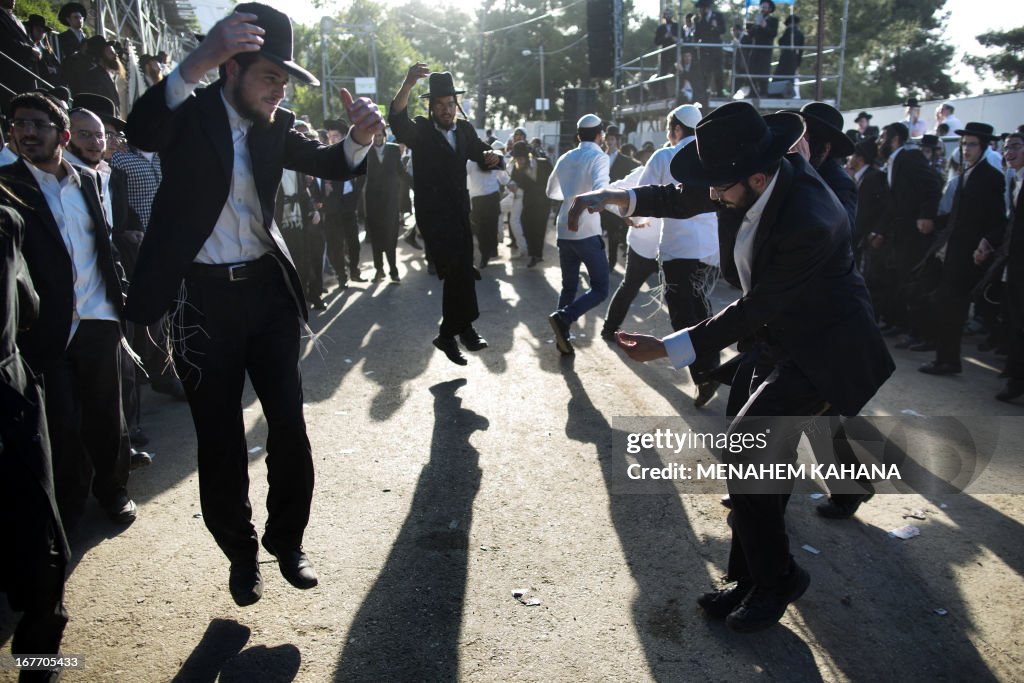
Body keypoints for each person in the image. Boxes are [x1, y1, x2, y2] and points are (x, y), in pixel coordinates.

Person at [568, 101, 894, 632]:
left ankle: (779, 578)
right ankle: (749, 578)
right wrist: (615, 196)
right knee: (751, 462)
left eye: (720, 187)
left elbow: (755, 308)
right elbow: (684, 195)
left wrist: (668, 347)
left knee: (748, 455)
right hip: (778, 338)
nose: (713, 195)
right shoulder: (748, 178)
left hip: (824, 347)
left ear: (758, 176)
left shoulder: (811, 217)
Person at [122, 3, 383, 607]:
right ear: (230, 69)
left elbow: (329, 163)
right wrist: (195, 59)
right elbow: (140, 132)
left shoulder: (274, 124)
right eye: (270, 76)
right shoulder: (186, 116)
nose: (279, 90)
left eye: (285, 81)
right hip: (199, 303)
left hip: (267, 295)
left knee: (289, 422)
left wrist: (360, 140)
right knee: (219, 439)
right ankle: (241, 557)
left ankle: (287, 542)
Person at [1, 92, 137, 530]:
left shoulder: (91, 182)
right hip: (44, 325)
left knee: (106, 415)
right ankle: (70, 505)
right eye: (19, 124)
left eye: (37, 124)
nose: (26, 132)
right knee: (61, 421)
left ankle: (113, 491)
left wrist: (123, 299)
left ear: (61, 135)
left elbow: (104, 243)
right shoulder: (6, 185)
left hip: (98, 315)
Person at [1, 184, 72, 683]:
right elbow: (29, 307)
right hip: (7, 394)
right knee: (34, 528)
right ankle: (39, 658)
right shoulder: (6, 220)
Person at [388, 64, 502, 365]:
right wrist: (408, 83)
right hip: (434, 215)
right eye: (439, 105)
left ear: (456, 104)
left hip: (461, 212)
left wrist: (496, 156)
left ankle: (455, 331)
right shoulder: (422, 131)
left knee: (463, 269)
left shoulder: (464, 130)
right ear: (431, 107)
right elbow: (397, 120)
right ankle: (457, 331)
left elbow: (481, 151)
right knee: (457, 269)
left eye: (450, 104)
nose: (446, 110)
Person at [919, 123, 1006, 375]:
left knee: (953, 310)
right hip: (951, 250)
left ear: (985, 146)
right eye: (964, 144)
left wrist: (986, 244)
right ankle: (944, 358)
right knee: (944, 306)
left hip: (968, 255)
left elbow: (998, 220)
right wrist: (934, 222)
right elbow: (956, 216)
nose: (966, 149)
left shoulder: (991, 176)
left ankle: (948, 360)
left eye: (972, 144)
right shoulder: (967, 173)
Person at [546, 114, 611, 355]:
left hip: (564, 229)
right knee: (601, 287)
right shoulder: (599, 157)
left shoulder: (565, 157)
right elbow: (600, 191)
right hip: (586, 230)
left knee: (568, 287)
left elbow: (550, 191)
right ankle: (565, 318)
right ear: (600, 134)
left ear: (577, 135)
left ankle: (561, 339)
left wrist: (570, 194)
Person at [988, 132, 1024, 401]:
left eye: (1015, 147)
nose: (1008, 152)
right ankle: (1014, 374)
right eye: (1005, 147)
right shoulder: (1016, 178)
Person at [364, 129, 404, 282]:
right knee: (376, 237)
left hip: (391, 202)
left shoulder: (393, 150)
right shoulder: (366, 152)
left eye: (379, 135)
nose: (376, 138)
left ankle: (393, 270)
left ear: (384, 137)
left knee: (391, 237)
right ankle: (378, 269)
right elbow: (360, 176)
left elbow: (401, 171)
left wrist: (416, 185)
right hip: (373, 202)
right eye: (373, 136)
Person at [601, 125, 640, 270]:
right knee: (596, 232)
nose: (610, 142)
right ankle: (597, 260)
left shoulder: (624, 160)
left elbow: (631, 177)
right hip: (599, 199)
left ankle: (611, 263)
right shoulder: (600, 157)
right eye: (608, 139)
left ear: (617, 141)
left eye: (612, 139)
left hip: (614, 200)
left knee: (613, 234)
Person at [509, 140, 552, 267]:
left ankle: (536, 255)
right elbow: (512, 182)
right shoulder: (517, 170)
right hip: (528, 203)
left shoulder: (543, 163)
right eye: (517, 158)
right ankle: (533, 253)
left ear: (528, 156)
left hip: (544, 202)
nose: (520, 161)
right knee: (527, 227)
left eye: (521, 158)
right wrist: (511, 186)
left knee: (539, 229)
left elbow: (554, 178)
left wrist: (555, 197)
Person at [748, 0, 778, 97]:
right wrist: (756, 25)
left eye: (765, 8)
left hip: (765, 50)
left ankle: (764, 92)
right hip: (755, 49)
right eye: (762, 7)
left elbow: (773, 34)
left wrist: (764, 26)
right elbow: (750, 35)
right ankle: (753, 91)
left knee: (764, 71)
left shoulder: (773, 21)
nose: (762, 9)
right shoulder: (757, 19)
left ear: (769, 9)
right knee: (753, 70)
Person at [772, 15, 803, 98]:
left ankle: (778, 93)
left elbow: (781, 41)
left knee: (781, 75)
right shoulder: (799, 34)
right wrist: (798, 63)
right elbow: (800, 51)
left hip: (786, 57)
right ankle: (787, 93)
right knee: (789, 77)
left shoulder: (789, 32)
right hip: (793, 58)